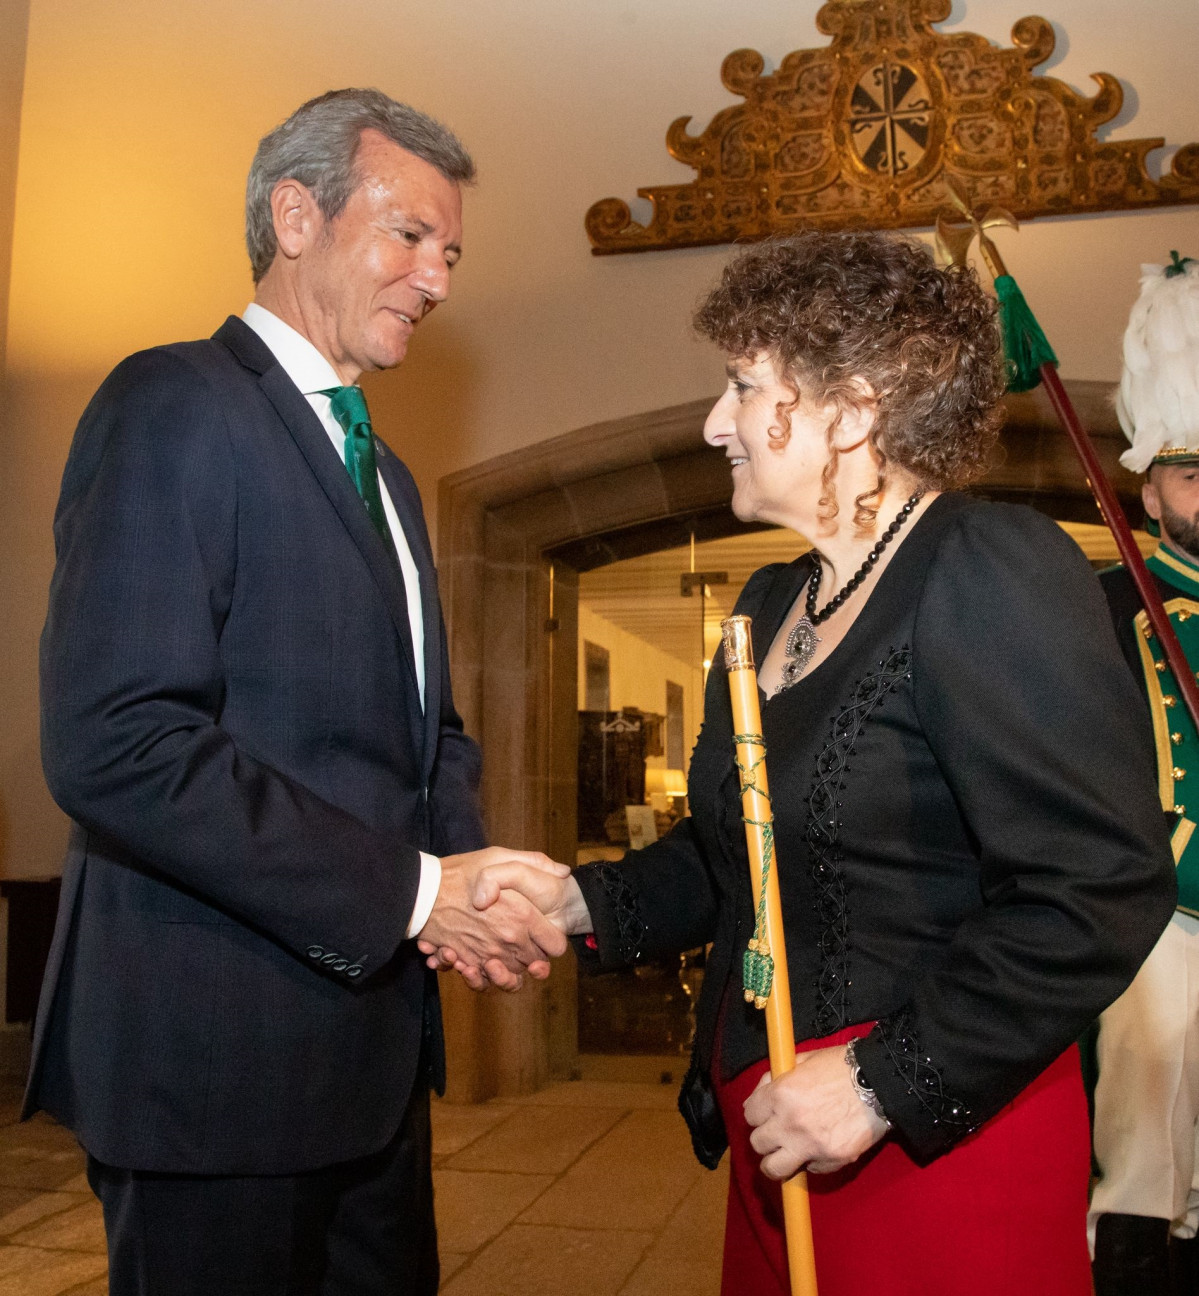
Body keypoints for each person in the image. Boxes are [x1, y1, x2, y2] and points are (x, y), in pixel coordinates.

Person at [454, 231, 1178, 1295]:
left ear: (851, 409)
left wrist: (879, 1085)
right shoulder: (765, 605)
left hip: (933, 1141)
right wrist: (572, 902)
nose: (714, 423)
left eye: (743, 385)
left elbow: (1098, 887)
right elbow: (730, 859)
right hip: (781, 1119)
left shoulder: (988, 572)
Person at [28, 88, 567, 1296]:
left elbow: (428, 732)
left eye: (451, 252)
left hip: (366, 1064)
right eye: (409, 236)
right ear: (294, 215)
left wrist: (468, 879)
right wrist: (419, 892)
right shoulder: (173, 404)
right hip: (213, 1069)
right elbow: (118, 741)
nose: (436, 279)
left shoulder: (386, 469)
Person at [1089, 252, 1199, 1296]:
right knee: (1141, 1164)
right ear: (1147, 483)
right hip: (1156, 919)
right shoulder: (1097, 611)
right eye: (1190, 471)